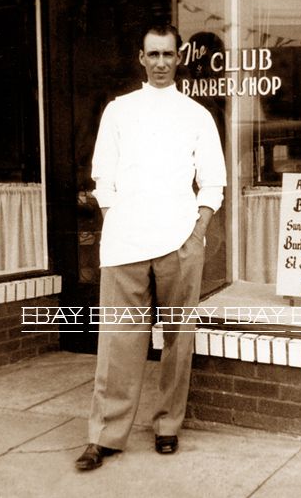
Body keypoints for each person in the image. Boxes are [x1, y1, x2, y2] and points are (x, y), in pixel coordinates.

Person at [75, 24, 226, 471]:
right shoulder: (119, 111)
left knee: (178, 340)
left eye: (168, 54)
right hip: (126, 246)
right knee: (119, 340)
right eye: (152, 54)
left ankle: (167, 426)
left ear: (179, 58)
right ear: (141, 59)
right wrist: (117, 223)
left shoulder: (196, 114)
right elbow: (104, 179)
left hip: (179, 241)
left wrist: (195, 233)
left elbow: (213, 181)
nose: (161, 62)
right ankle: (104, 435)